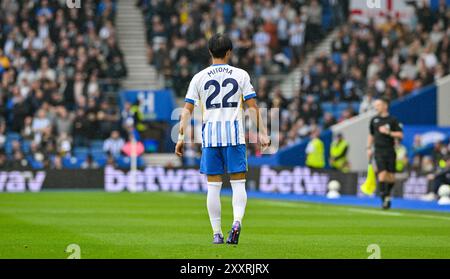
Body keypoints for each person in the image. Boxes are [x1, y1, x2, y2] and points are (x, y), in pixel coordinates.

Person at [175, 34, 270, 245]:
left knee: (213, 187)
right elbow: (252, 108)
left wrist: (180, 137)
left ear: (210, 52)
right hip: (234, 135)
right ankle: (236, 222)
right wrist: (263, 132)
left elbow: (186, 111)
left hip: (210, 138)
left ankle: (216, 233)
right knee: (238, 184)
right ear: (229, 52)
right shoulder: (240, 75)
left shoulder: (199, 77)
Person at [367, 98, 404, 210]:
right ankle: (384, 198)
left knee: (391, 177)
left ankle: (387, 194)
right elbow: (371, 135)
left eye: (378, 105)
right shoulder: (374, 120)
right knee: (382, 174)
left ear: (385, 106)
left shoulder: (393, 120)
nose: (376, 107)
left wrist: (389, 132)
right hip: (379, 151)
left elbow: (400, 135)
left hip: (390, 150)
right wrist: (368, 148)